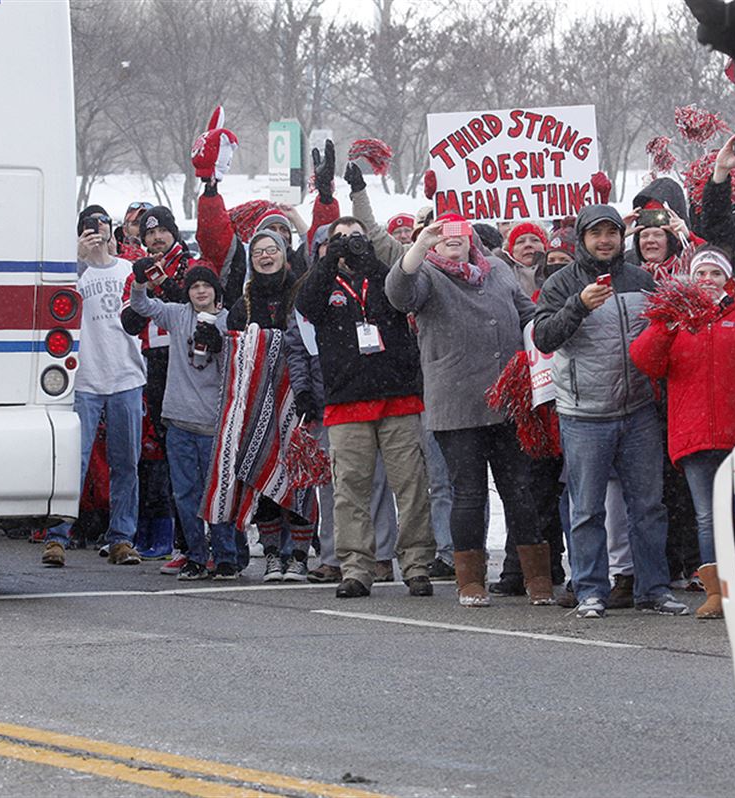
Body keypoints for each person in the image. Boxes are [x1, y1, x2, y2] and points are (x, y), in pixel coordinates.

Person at [387, 214, 554, 607]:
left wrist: (550, 334)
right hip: (456, 404)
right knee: (469, 493)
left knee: (519, 491)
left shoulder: (496, 267)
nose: (453, 241)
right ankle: (470, 580)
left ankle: (537, 577)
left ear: (472, 239)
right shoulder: (427, 273)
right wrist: (420, 246)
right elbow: (398, 293)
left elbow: (526, 316)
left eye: (459, 235)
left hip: (508, 401)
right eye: (443, 237)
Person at [532, 204, 689, 619]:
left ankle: (654, 588)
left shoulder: (640, 280)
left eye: (612, 233)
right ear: (583, 238)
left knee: (649, 507)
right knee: (587, 510)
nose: (605, 241)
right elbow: (545, 338)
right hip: (584, 414)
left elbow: (659, 336)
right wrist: (578, 305)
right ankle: (590, 591)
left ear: (623, 238)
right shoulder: (561, 282)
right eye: (596, 233)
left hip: (638, 411)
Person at [294, 216, 436, 598]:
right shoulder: (322, 285)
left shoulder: (382, 275)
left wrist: (368, 258)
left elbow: (401, 294)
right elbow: (305, 305)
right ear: (326, 246)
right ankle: (356, 568)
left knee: (411, 487)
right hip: (346, 402)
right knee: (349, 491)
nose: (350, 244)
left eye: (356, 237)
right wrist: (330, 260)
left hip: (398, 396)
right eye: (339, 239)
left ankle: (417, 564)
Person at [629, 245, 735, 618]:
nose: (707, 281)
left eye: (714, 274)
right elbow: (645, 360)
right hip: (694, 434)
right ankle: (718, 593)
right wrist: (664, 323)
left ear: (728, 278)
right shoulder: (678, 317)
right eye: (701, 274)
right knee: (708, 517)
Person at [41, 206, 146, 568]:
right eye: (89, 226)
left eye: (102, 224)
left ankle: (122, 538)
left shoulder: (128, 271)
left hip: (126, 376)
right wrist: (79, 258)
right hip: (84, 378)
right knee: (74, 461)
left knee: (126, 463)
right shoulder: (73, 273)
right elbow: (55, 303)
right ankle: (56, 537)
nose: (96, 232)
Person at [128, 262, 241, 580]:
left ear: (216, 292)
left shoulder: (229, 320)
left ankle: (226, 556)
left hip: (214, 425)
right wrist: (139, 281)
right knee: (185, 494)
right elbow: (142, 306)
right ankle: (195, 555)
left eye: (206, 285)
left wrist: (223, 344)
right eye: (194, 286)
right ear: (188, 293)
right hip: (178, 421)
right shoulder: (178, 315)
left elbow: (239, 366)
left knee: (218, 492)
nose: (200, 291)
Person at [228, 228, 316, 581]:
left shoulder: (301, 292)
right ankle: (272, 553)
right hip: (257, 402)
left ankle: (298, 553)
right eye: (259, 252)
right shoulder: (244, 301)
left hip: (297, 397)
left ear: (284, 253)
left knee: (300, 476)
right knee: (262, 474)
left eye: (272, 250)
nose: (266, 256)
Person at [503, 221, 549, 297]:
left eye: (535, 240)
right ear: (511, 250)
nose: (528, 245)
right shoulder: (502, 274)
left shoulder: (555, 271)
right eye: (520, 241)